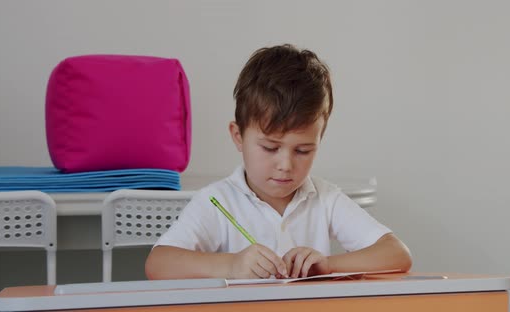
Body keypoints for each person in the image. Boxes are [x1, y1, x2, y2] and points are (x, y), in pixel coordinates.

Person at [145, 44, 412, 280]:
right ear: (238, 137)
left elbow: (397, 254)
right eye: (270, 147)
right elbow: (158, 265)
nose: (285, 165)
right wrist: (232, 264)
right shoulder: (217, 201)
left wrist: (327, 265)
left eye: (303, 150)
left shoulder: (325, 199)